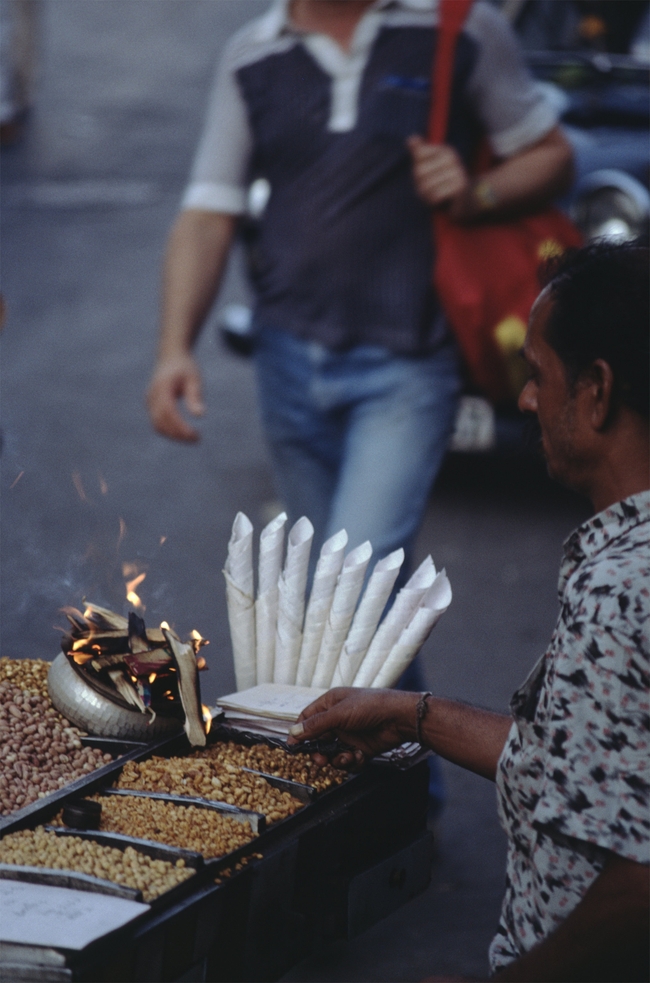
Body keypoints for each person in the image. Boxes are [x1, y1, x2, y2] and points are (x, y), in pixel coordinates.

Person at [288, 243, 650, 982]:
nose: (524, 399)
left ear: (597, 392)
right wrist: (410, 715)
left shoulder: (623, 591)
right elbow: (590, 771)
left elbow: (639, 882)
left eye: (536, 374)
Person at [146, 0, 573, 572]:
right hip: (286, 362)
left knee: (355, 587)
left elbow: (551, 156)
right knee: (325, 607)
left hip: (409, 364)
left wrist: (477, 192)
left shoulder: (459, 27)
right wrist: (174, 350)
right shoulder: (252, 52)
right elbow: (207, 214)